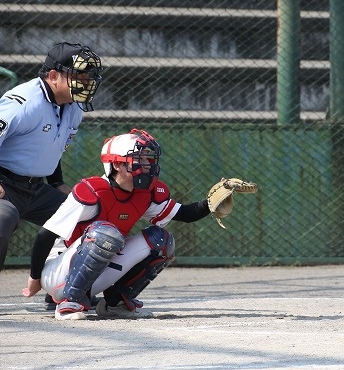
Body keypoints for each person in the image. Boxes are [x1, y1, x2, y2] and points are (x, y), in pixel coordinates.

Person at [21, 128, 219, 320]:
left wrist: (211, 203)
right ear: (117, 164)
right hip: (58, 271)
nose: (147, 164)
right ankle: (69, 302)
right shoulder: (92, 192)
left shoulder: (144, 193)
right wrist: (35, 278)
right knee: (105, 234)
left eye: (147, 159)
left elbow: (186, 214)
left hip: (96, 271)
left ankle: (115, 304)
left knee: (161, 241)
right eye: (139, 159)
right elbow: (45, 235)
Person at [0, 42, 104, 275]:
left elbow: (51, 145)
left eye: (88, 76)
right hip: (5, 186)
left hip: (36, 189)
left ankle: (63, 286)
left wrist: (57, 183)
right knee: (2, 220)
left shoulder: (74, 105)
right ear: (54, 76)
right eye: (79, 76)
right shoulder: (24, 103)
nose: (86, 82)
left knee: (90, 218)